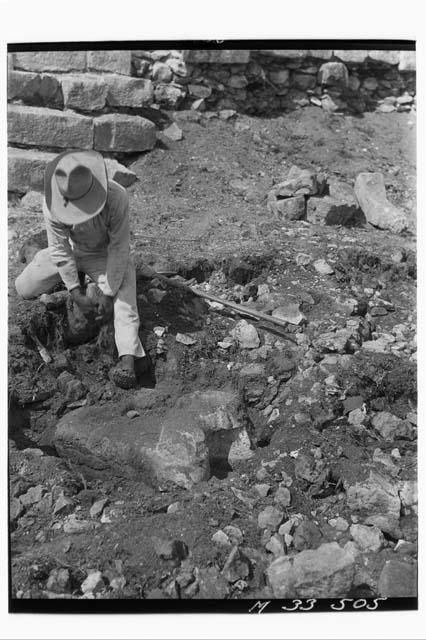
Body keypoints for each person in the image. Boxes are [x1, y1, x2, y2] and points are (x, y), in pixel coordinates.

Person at [15, 149, 147, 389]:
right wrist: (75, 292)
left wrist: (107, 293)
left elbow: (119, 248)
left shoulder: (117, 197)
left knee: (124, 293)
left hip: (104, 254)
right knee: (23, 287)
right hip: (72, 252)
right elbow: (60, 248)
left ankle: (128, 358)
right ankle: (59, 280)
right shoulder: (52, 203)